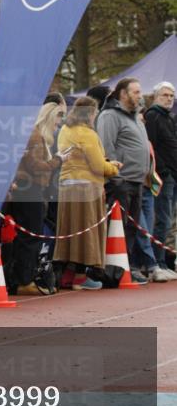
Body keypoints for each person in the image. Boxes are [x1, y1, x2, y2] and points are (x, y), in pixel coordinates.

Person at [53, 97, 121, 289]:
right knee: (87, 233)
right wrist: (114, 167)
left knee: (69, 231)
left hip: (67, 185)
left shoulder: (65, 130)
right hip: (87, 187)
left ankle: (66, 275)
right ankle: (82, 277)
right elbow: (98, 165)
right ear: (90, 113)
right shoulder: (88, 134)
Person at [4, 101, 65, 296]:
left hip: (27, 189)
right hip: (29, 189)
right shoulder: (35, 136)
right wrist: (59, 160)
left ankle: (19, 278)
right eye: (58, 118)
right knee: (30, 236)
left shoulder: (35, 136)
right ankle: (23, 279)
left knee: (27, 236)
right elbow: (36, 166)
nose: (59, 123)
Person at [97, 78, 152, 285]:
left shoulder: (135, 117)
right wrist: (115, 176)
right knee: (117, 227)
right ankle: (112, 270)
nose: (140, 96)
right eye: (136, 92)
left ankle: (124, 267)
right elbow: (106, 147)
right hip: (120, 180)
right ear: (123, 94)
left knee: (130, 227)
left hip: (137, 180)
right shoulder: (110, 116)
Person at [145, 82, 177, 280]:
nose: (169, 98)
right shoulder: (153, 116)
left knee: (171, 221)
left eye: (172, 95)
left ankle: (165, 259)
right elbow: (151, 146)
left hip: (173, 175)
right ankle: (157, 262)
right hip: (164, 177)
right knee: (162, 219)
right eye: (165, 95)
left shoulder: (170, 118)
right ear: (156, 96)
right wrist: (163, 171)